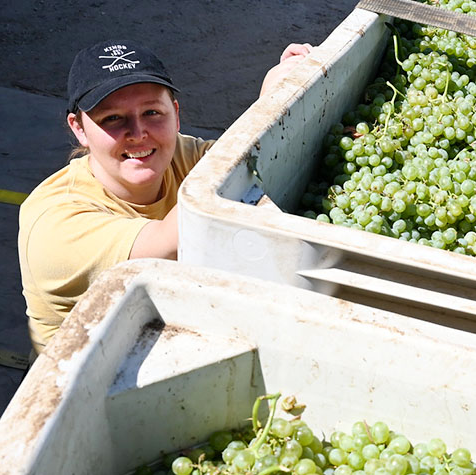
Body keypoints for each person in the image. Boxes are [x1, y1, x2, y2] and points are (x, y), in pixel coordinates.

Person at [18, 39, 312, 353]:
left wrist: (283, 96)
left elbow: (248, 166)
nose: (139, 132)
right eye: (113, 119)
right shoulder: (55, 223)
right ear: (79, 128)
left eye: (152, 112)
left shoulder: (179, 154)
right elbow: (169, 244)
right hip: (80, 385)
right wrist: (266, 110)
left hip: (168, 339)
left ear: (175, 114)